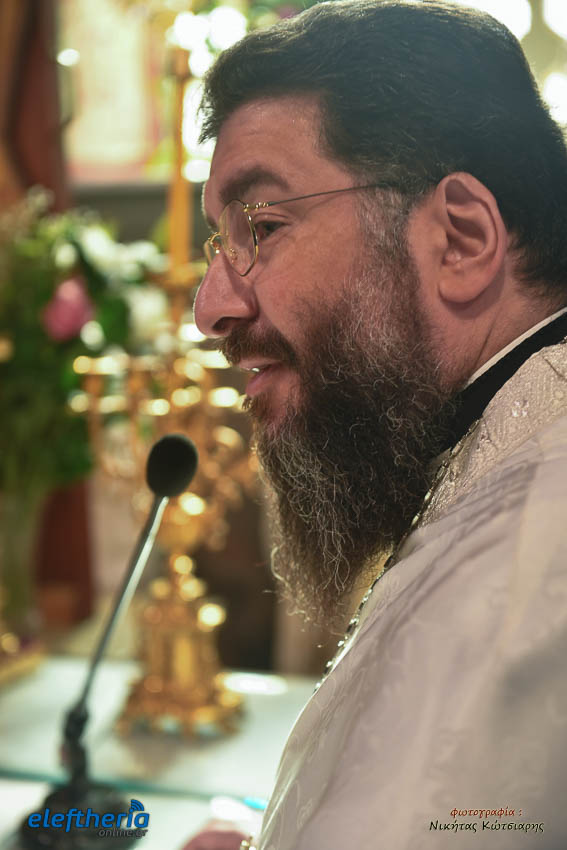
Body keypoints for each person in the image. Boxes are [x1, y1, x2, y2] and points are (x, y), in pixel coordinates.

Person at [187, 1, 567, 847]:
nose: (210, 307)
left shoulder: (525, 560)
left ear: (460, 239)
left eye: (263, 226)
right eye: (217, 244)